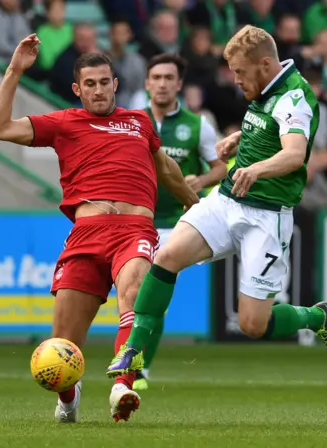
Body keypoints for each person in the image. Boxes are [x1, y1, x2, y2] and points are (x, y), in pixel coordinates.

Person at [108, 25, 327, 379]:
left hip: (266, 217)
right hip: (226, 201)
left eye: (239, 71)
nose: (235, 79)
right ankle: (135, 350)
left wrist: (256, 170)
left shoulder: (294, 97)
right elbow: (271, 127)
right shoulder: (268, 87)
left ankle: (318, 316)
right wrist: (241, 136)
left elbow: (295, 154)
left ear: (265, 64)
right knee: (166, 257)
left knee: (254, 324)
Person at [0, 34, 199, 423]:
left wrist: (193, 202)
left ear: (115, 84)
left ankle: (123, 387)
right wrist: (16, 69)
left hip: (134, 229)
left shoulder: (139, 122)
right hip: (86, 235)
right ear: (76, 89)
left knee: (134, 291)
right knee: (62, 343)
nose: (98, 90)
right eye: (90, 84)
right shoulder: (64, 123)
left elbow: (165, 168)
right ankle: (68, 397)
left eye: (105, 82)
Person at [133, 53, 226, 391]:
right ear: (146, 83)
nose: (161, 83)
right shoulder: (131, 121)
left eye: (168, 77)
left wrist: (201, 182)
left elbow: (220, 167)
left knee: (152, 294)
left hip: (174, 222)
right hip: (132, 220)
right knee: (135, 294)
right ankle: (134, 362)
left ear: (179, 84)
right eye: (155, 77)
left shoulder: (197, 124)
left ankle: (140, 367)